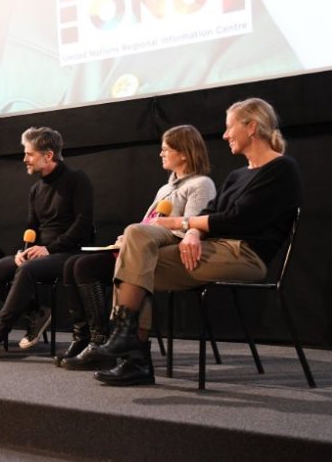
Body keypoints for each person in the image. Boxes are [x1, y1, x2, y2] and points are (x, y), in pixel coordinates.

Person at [92, 98, 302, 385]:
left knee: (138, 263)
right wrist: (193, 232)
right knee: (137, 257)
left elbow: (238, 220)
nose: (225, 135)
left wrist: (183, 224)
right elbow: (210, 214)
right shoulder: (238, 175)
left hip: (246, 255)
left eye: (230, 128)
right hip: (214, 247)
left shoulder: (281, 169)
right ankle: (132, 353)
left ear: (252, 127)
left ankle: (130, 350)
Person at [59, 125, 216, 370]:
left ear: (184, 153)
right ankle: (92, 337)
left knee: (87, 267)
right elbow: (147, 224)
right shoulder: (165, 188)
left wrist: (140, 235)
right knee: (73, 265)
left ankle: (107, 339)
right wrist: (127, 238)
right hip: (143, 245)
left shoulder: (201, 184)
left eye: (166, 149)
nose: (161, 154)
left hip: (167, 250)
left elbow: (191, 227)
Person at [0, 126, 94, 359]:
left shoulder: (76, 179)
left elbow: (83, 225)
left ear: (48, 155)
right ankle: (35, 312)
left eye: (29, 153)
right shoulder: (36, 189)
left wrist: (49, 248)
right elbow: (32, 228)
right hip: (40, 252)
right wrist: (23, 251)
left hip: (70, 253)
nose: (24, 159)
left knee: (26, 270)